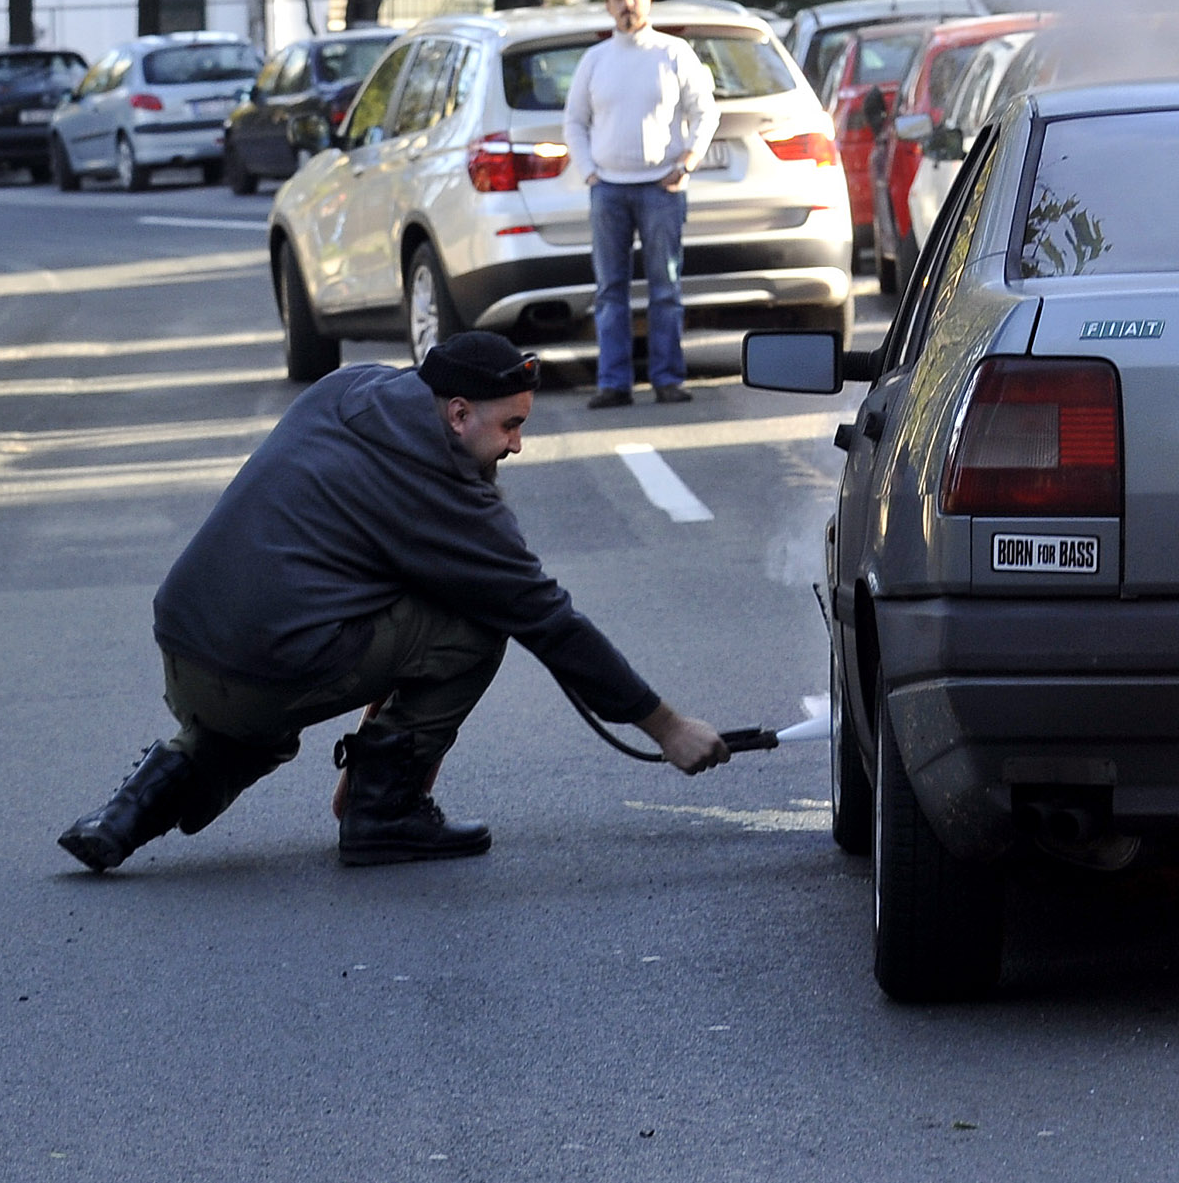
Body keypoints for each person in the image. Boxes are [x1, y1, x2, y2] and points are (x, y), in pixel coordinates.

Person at [58, 332, 727, 873]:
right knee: (474, 627)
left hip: (184, 644)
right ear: (459, 412)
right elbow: (548, 619)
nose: (518, 443)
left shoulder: (348, 387)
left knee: (249, 714)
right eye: (510, 425)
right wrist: (666, 726)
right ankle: (384, 810)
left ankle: (128, 813)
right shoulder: (446, 495)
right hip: (266, 668)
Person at [565, 0, 716, 408]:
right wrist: (590, 170)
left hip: (661, 188)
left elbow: (705, 112)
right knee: (610, 291)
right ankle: (614, 383)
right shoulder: (595, 60)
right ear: (609, 5)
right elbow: (574, 120)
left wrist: (687, 161)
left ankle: (668, 378)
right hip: (608, 190)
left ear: (648, 0)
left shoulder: (674, 53)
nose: (627, 4)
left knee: (664, 287)